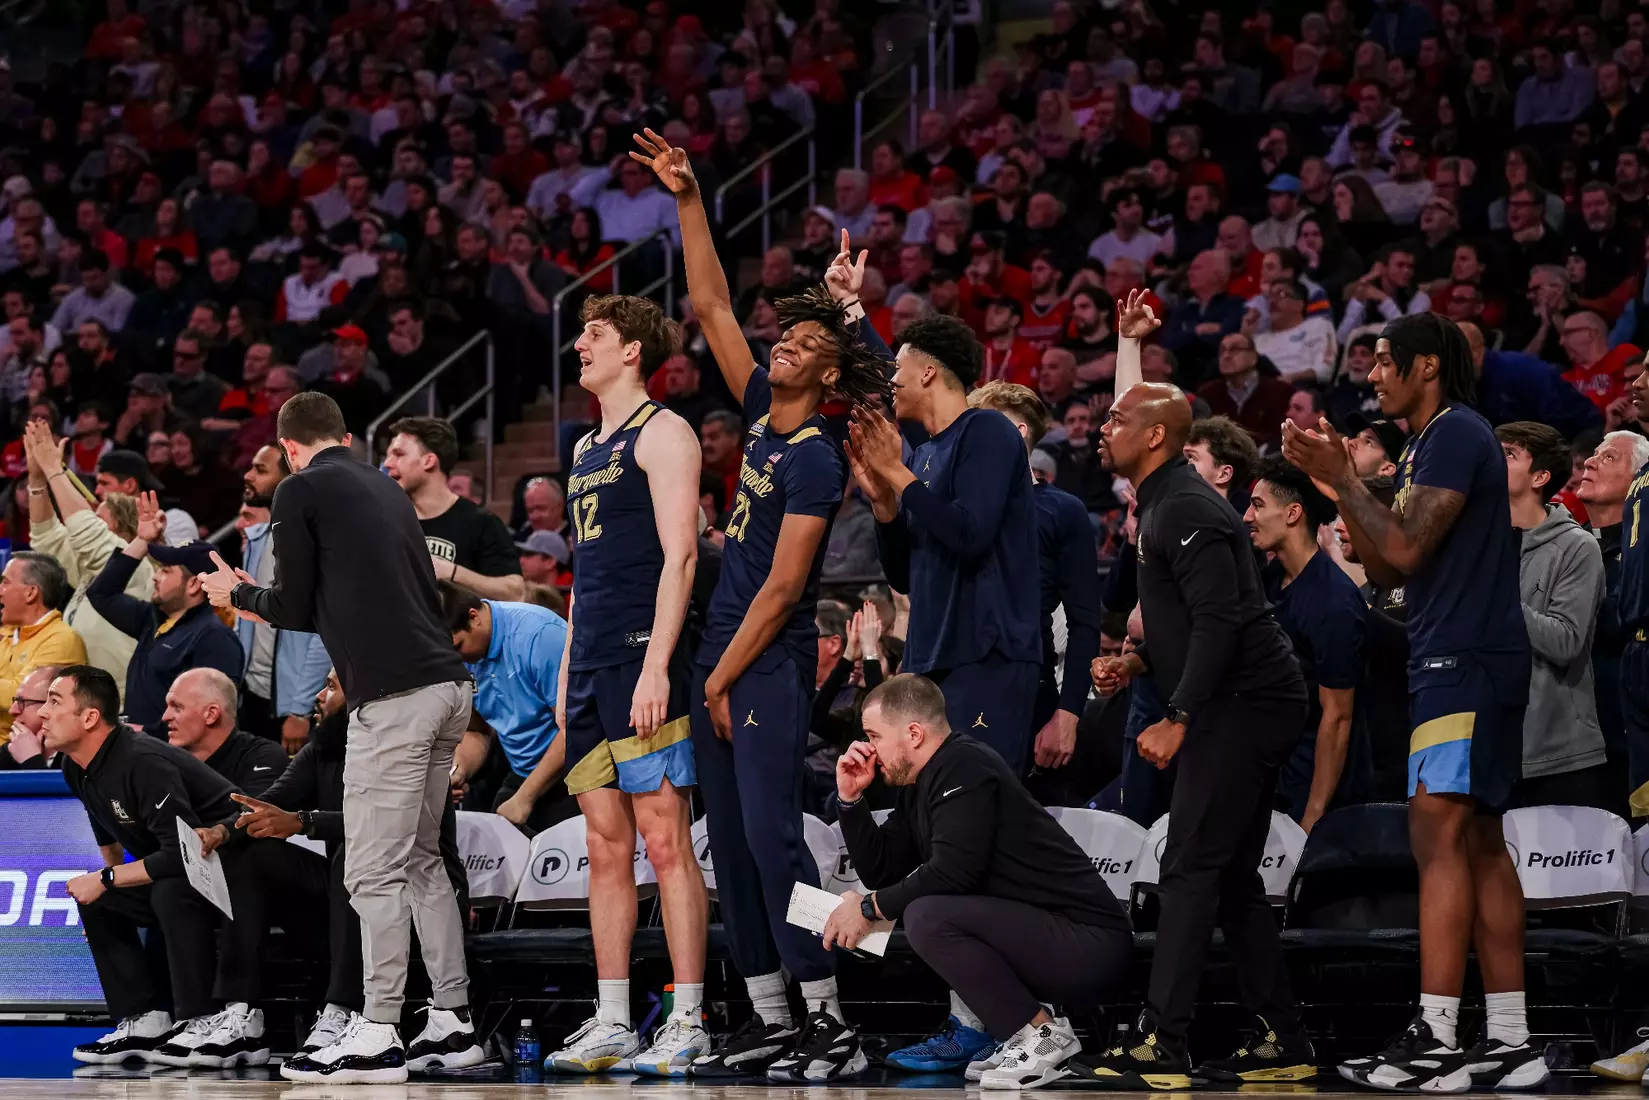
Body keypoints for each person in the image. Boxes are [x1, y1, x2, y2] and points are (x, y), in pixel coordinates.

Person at [638, 129, 895, 1080]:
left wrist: (722, 673)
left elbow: (788, 585)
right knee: (732, 854)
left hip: (765, 661)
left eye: (800, 342)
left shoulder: (821, 455)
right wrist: (690, 199)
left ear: (827, 374)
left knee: (775, 841)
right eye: (780, 336)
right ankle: (772, 1017)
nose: (780, 344)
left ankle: (836, 1018)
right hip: (720, 657)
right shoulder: (757, 413)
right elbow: (707, 300)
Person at [1283, 312, 1543, 1092]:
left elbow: (1396, 550)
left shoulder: (1457, 431)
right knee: (1478, 846)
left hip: (1461, 661)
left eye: (1385, 360)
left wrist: (1340, 479)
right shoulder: (1435, 442)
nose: (1371, 374)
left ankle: (1434, 1032)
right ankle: (1508, 1039)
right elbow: (1388, 570)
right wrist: (1349, 487)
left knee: (1436, 838)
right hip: (1459, 659)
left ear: (1428, 365)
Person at [200, 392, 482, 1083]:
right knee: (419, 862)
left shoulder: (302, 488)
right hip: (448, 686)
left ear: (290, 447)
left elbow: (293, 606)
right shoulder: (386, 490)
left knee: (372, 869)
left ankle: (379, 1029)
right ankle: (451, 1021)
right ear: (345, 437)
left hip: (393, 696)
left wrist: (237, 596)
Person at [1076, 372, 1313, 1086]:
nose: (1100, 428)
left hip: (1245, 701)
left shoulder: (1185, 507)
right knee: (1231, 875)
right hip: (1230, 697)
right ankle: (1284, 1040)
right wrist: (1140, 663)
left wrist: (1177, 716)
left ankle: (1162, 1041)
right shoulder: (1157, 502)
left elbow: (1221, 622)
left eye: (1116, 419)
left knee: (1185, 866)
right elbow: (1192, 622)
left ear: (1153, 436)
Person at [544, 287, 708, 1076]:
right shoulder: (582, 450)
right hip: (593, 663)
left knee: (662, 839)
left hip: (645, 658)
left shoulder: (665, 432)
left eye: (596, 334)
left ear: (633, 351)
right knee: (603, 846)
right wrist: (570, 661)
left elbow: (681, 556)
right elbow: (585, 573)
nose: (581, 345)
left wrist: (655, 667)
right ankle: (612, 1017)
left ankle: (688, 1017)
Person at [827, 674, 1133, 1090]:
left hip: (1088, 940)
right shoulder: (923, 784)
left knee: (927, 916)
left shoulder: (964, 765)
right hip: (1045, 934)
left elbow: (954, 872)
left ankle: (1043, 1036)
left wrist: (867, 908)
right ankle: (1023, 1033)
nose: (869, 750)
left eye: (874, 736)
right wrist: (850, 800)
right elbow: (880, 871)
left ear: (913, 733)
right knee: (923, 912)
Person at [56, 665, 277, 1069]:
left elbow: (184, 853)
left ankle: (198, 1016)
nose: (42, 714)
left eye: (54, 702)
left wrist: (107, 878)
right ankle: (145, 1018)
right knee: (99, 901)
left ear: (89, 717)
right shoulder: (75, 765)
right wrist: (108, 878)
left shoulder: (142, 760)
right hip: (191, 869)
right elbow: (102, 824)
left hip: (239, 869)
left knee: (167, 887)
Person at [846, 315, 1042, 770]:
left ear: (928, 371)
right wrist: (883, 505)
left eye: (898, 368)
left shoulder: (987, 431)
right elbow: (902, 575)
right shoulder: (923, 453)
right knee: (933, 811)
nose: (891, 381)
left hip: (987, 655)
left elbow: (970, 535)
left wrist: (896, 473)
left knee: (977, 804)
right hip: (931, 656)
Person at [966, 381, 1101, 812]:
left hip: (1030, 696)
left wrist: (1068, 712)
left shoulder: (1063, 511)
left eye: (983, 425)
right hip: (955, 687)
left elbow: (1085, 622)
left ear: (1019, 431)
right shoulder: (954, 508)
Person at [1243, 455, 1367, 830]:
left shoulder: (1334, 602)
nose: (1247, 516)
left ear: (1293, 513)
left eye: (1258, 505)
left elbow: (1339, 716)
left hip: (1307, 787)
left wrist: (1314, 812)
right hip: (1266, 774)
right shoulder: (1266, 581)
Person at [1494, 423, 1608, 807]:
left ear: (1540, 477)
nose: (1494, 459)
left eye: (1509, 454)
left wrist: (1494, 596)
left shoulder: (1576, 547)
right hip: (1488, 750)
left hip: (1558, 756)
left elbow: (1565, 641)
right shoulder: (1476, 541)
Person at [86, 494, 243, 739]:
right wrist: (142, 540)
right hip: (141, 754)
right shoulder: (152, 620)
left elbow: (212, 717)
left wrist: (147, 733)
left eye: (166, 571)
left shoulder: (214, 639)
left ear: (193, 585)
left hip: (178, 764)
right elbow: (101, 593)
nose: (155, 576)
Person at [23, 420, 151, 699]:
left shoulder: (138, 568)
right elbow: (47, 538)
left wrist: (55, 470)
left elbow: (88, 535)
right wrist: (36, 480)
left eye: (99, 520)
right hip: (89, 701)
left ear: (120, 527)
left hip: (123, 705)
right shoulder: (90, 570)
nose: (88, 523)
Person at [444, 586, 577, 834]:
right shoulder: (457, 657)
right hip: (521, 768)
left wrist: (525, 797)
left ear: (474, 618)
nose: (455, 661)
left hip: (574, 769)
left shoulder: (539, 636)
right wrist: (458, 770)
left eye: (458, 647)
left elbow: (573, 726)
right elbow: (477, 730)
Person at [237, 444, 331, 752]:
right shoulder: (255, 540)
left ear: (290, 478)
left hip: (292, 707)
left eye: (261, 470)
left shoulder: (313, 543)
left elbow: (324, 634)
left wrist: (300, 709)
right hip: (252, 697)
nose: (248, 476)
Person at [384, 417, 525, 602]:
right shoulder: (387, 521)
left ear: (429, 461)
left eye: (398, 454)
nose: (387, 463)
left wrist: (452, 572)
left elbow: (516, 593)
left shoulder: (481, 522)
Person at [0, 550, 87, 741]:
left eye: (5, 582)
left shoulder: (62, 639)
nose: (0, 590)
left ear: (31, 593)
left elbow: (17, 697)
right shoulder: (8, 634)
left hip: (20, 752)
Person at [163, 667, 289, 795]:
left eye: (177, 707)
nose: (165, 717)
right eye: (167, 706)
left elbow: (252, 811)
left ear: (211, 715)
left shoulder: (264, 756)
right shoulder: (162, 760)